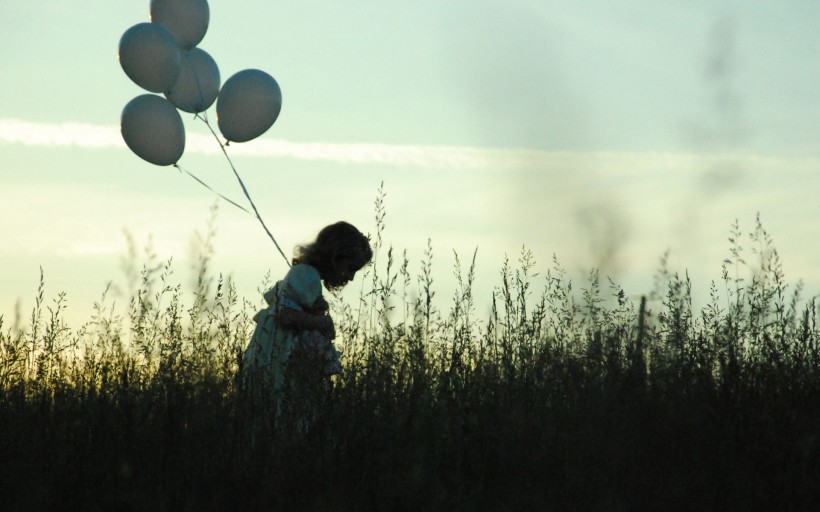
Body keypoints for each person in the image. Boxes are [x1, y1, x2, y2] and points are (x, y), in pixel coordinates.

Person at [240, 221, 373, 428]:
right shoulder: (305, 274)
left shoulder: (308, 275)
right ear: (336, 257)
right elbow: (286, 314)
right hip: (280, 354)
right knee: (280, 411)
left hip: (282, 354)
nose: (352, 277)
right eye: (351, 268)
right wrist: (321, 322)